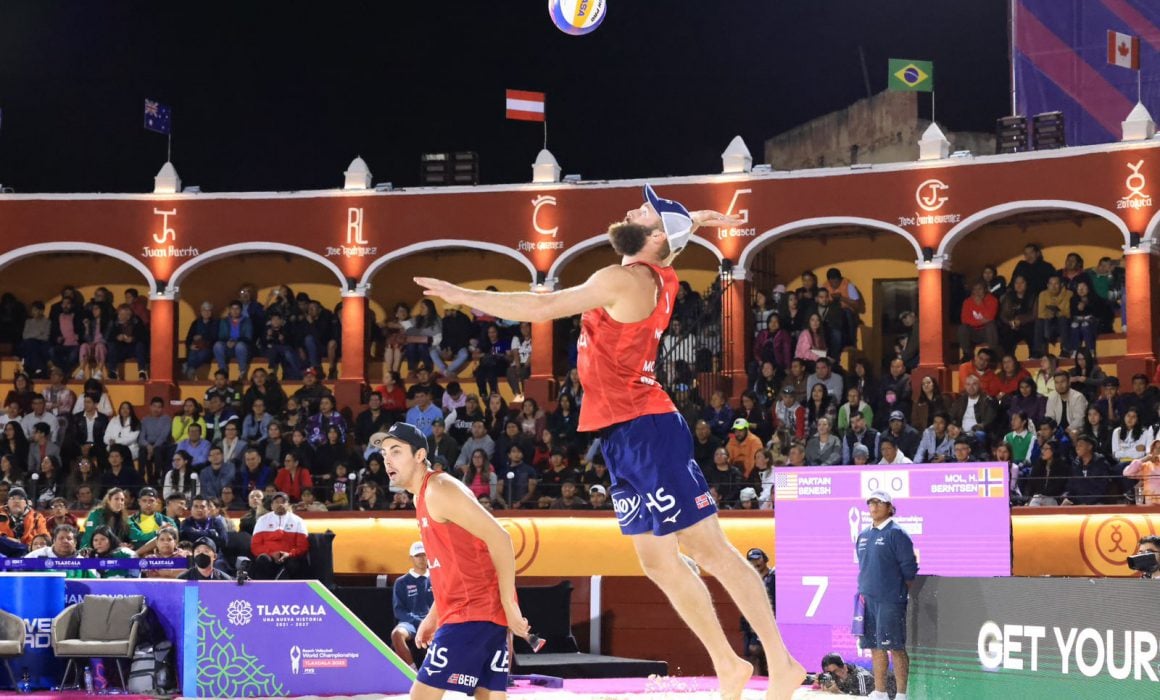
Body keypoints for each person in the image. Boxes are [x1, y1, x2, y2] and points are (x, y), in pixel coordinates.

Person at [415, 185, 806, 698]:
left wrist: (465, 297)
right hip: (626, 433)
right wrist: (697, 220)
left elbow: (544, 307)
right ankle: (729, 665)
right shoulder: (654, 273)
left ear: (658, 235)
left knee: (708, 547)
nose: (631, 209)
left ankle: (780, 662)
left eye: (644, 210)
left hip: (647, 428)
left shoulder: (624, 278)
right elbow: (673, 237)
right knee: (657, 559)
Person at [380, 422, 531, 700]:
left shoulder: (439, 488)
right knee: (490, 696)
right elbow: (449, 565)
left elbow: (500, 539)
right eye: (384, 453)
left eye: (396, 451)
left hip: (472, 612)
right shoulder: (421, 497)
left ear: (420, 455)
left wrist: (510, 605)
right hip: (478, 611)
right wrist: (433, 616)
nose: (387, 459)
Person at [855, 491, 916, 700]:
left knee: (895, 647)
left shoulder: (896, 533)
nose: (874, 506)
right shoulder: (863, 535)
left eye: (879, 502)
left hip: (890, 600)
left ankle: (901, 695)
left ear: (890, 507)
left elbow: (909, 569)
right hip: (867, 600)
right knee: (874, 646)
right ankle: (879, 692)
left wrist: (896, 592)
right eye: (871, 502)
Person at [392, 541, 434, 670]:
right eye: (418, 555)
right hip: (410, 623)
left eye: (424, 555)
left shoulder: (437, 579)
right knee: (397, 634)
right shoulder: (401, 582)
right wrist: (418, 621)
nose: (422, 559)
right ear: (411, 558)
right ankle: (412, 671)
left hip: (434, 622)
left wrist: (431, 623)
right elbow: (398, 611)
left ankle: (433, 673)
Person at [250, 491, 310, 579]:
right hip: (269, 556)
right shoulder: (262, 520)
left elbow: (303, 546)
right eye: (277, 502)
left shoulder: (298, 521)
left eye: (283, 502)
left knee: (294, 562)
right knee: (263, 559)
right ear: (272, 505)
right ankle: (262, 590)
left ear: (288, 505)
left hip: (289, 557)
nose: (280, 504)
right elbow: (255, 546)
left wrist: (289, 554)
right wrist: (271, 553)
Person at [739, 548, 776, 675]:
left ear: (764, 559)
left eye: (758, 559)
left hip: (769, 621)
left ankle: (767, 680)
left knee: (759, 650)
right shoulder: (748, 579)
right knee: (750, 654)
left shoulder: (774, 576)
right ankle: (756, 683)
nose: (755, 563)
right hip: (750, 621)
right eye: (751, 560)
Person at [818, 652, 891, 696]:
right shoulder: (834, 676)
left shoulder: (862, 677)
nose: (833, 676)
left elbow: (863, 699)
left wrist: (838, 692)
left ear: (844, 667)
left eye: (835, 671)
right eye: (829, 673)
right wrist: (819, 681)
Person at [0, 486, 50, 550]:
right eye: (12, 498)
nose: (16, 501)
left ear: (26, 503)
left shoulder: (37, 517)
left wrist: (33, 545)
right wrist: (5, 538)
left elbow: (45, 537)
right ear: (7, 503)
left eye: (20, 498)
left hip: (28, 550)